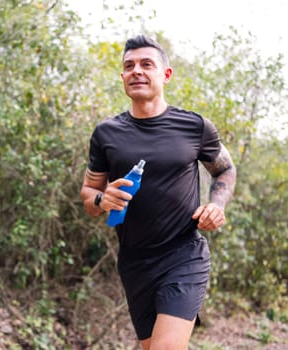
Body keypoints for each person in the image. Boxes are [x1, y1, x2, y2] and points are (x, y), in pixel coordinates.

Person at [80, 35, 237, 350]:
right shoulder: (106, 134)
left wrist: (217, 205)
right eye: (129, 66)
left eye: (146, 64)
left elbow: (225, 169)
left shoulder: (195, 127)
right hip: (134, 261)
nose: (136, 71)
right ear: (123, 76)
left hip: (183, 254)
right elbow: (88, 192)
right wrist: (102, 199)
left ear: (166, 74)